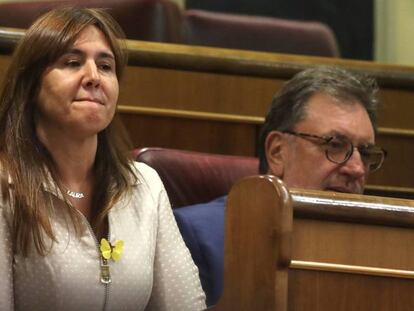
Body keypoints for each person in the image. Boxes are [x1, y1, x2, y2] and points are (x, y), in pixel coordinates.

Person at [0, 7, 205, 311]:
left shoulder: (143, 185)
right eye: (72, 63)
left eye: (106, 66)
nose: (94, 77)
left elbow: (185, 306)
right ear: (31, 87)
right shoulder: (6, 187)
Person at [173, 66, 387, 306]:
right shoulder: (196, 238)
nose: (357, 169)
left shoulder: (382, 252)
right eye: (334, 144)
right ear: (277, 152)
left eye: (366, 153)